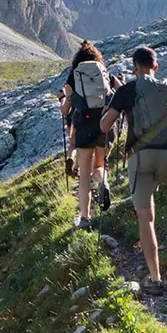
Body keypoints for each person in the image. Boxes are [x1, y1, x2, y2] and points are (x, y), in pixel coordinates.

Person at [100, 45, 167, 293]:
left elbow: (105, 125)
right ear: (156, 66)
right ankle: (159, 258)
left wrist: (114, 103)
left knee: (144, 217)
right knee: (150, 200)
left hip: (140, 159)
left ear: (135, 67)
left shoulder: (128, 89)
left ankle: (155, 278)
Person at [58, 41, 112, 228]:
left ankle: (85, 218)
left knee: (84, 176)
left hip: (83, 126)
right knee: (100, 165)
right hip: (104, 123)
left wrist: (64, 99)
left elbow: (65, 111)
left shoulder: (74, 76)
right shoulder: (103, 72)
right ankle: (103, 183)